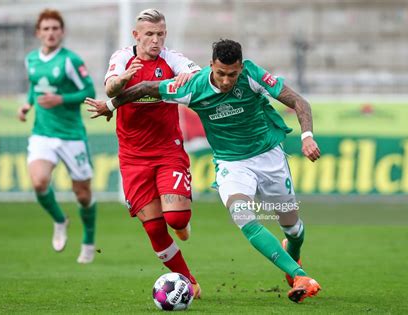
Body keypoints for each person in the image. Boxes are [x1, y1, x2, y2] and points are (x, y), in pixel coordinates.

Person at [86, 39, 322, 303]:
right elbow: (144, 88)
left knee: (292, 228)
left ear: (240, 68)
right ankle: (298, 274)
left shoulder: (253, 74)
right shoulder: (194, 86)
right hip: (232, 165)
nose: (225, 81)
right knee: (244, 218)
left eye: (232, 75)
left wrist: (307, 137)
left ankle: (293, 251)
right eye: (220, 73)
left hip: (269, 157)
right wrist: (110, 106)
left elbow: (299, 102)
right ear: (211, 66)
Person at [103, 9, 202, 297]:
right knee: (155, 229)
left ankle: (183, 222)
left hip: (167, 151)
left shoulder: (170, 58)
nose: (155, 40)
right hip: (133, 158)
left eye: (160, 34)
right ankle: (189, 280)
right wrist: (123, 79)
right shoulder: (122, 58)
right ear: (136, 35)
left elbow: (196, 74)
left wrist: (189, 75)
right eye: (149, 35)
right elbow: (110, 89)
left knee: (176, 221)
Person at [18, 9, 97, 264]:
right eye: (46, 29)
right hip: (42, 133)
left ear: (62, 32)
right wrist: (28, 105)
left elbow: (89, 90)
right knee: (39, 182)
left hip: (71, 135)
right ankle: (60, 220)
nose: (51, 33)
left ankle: (88, 240)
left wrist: (60, 99)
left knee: (83, 195)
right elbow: (35, 86)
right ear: (38, 33)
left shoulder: (70, 61)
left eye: (55, 28)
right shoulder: (31, 59)